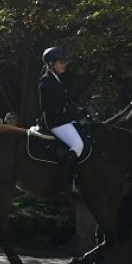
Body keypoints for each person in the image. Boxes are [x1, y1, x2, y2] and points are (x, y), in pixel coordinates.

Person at [38, 46, 82, 193]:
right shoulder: (46, 81)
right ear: (51, 64)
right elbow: (46, 106)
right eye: (61, 62)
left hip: (65, 119)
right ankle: (64, 183)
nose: (64, 65)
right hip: (54, 121)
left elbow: (66, 100)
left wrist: (76, 109)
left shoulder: (60, 78)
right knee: (77, 145)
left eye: (65, 62)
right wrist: (62, 109)